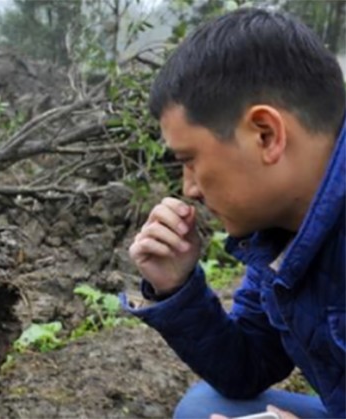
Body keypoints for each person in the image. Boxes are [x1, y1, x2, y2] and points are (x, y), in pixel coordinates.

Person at [121, 7, 345, 419]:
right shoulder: (282, 234)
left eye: (189, 159)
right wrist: (176, 288)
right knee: (203, 408)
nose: (188, 188)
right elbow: (247, 367)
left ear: (266, 135)